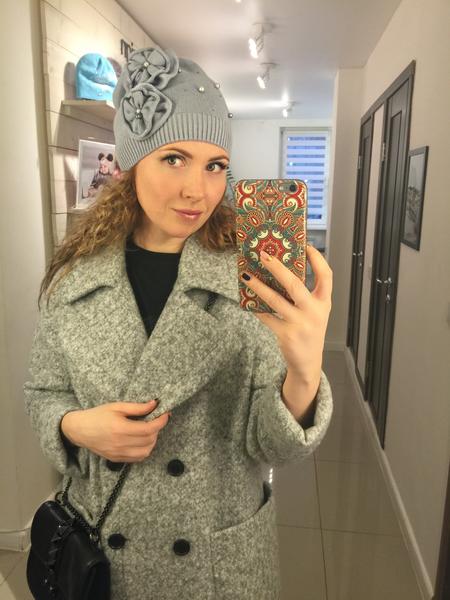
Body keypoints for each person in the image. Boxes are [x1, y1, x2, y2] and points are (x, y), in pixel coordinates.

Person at [23, 46, 334, 599]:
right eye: (174, 158)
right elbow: (42, 392)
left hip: (214, 564)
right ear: (130, 162)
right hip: (103, 559)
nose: (199, 190)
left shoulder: (251, 277)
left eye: (215, 165)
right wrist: (75, 426)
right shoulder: (74, 277)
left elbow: (273, 448)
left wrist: (304, 374)